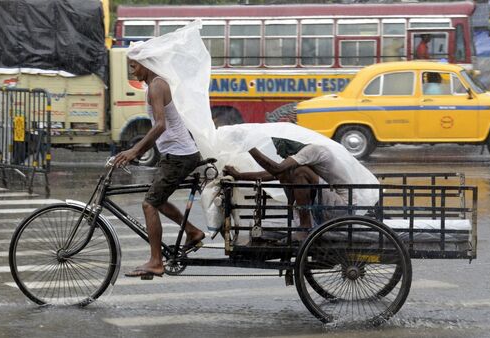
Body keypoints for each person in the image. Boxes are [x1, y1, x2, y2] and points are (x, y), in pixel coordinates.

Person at [110, 58, 205, 278]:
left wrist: (135, 151)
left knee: (149, 204)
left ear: (147, 63)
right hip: (176, 154)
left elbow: (161, 125)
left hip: (179, 155)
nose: (132, 72)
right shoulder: (156, 84)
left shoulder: (156, 86)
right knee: (157, 200)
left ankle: (156, 262)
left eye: (134, 66)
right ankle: (192, 231)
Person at [224, 138, 362, 241]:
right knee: (287, 173)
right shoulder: (305, 155)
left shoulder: (313, 150)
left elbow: (276, 168)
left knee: (300, 172)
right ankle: (303, 223)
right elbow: (272, 174)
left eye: (281, 150)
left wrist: (250, 148)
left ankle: (305, 227)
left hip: (342, 207)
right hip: (329, 207)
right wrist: (238, 175)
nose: (281, 155)